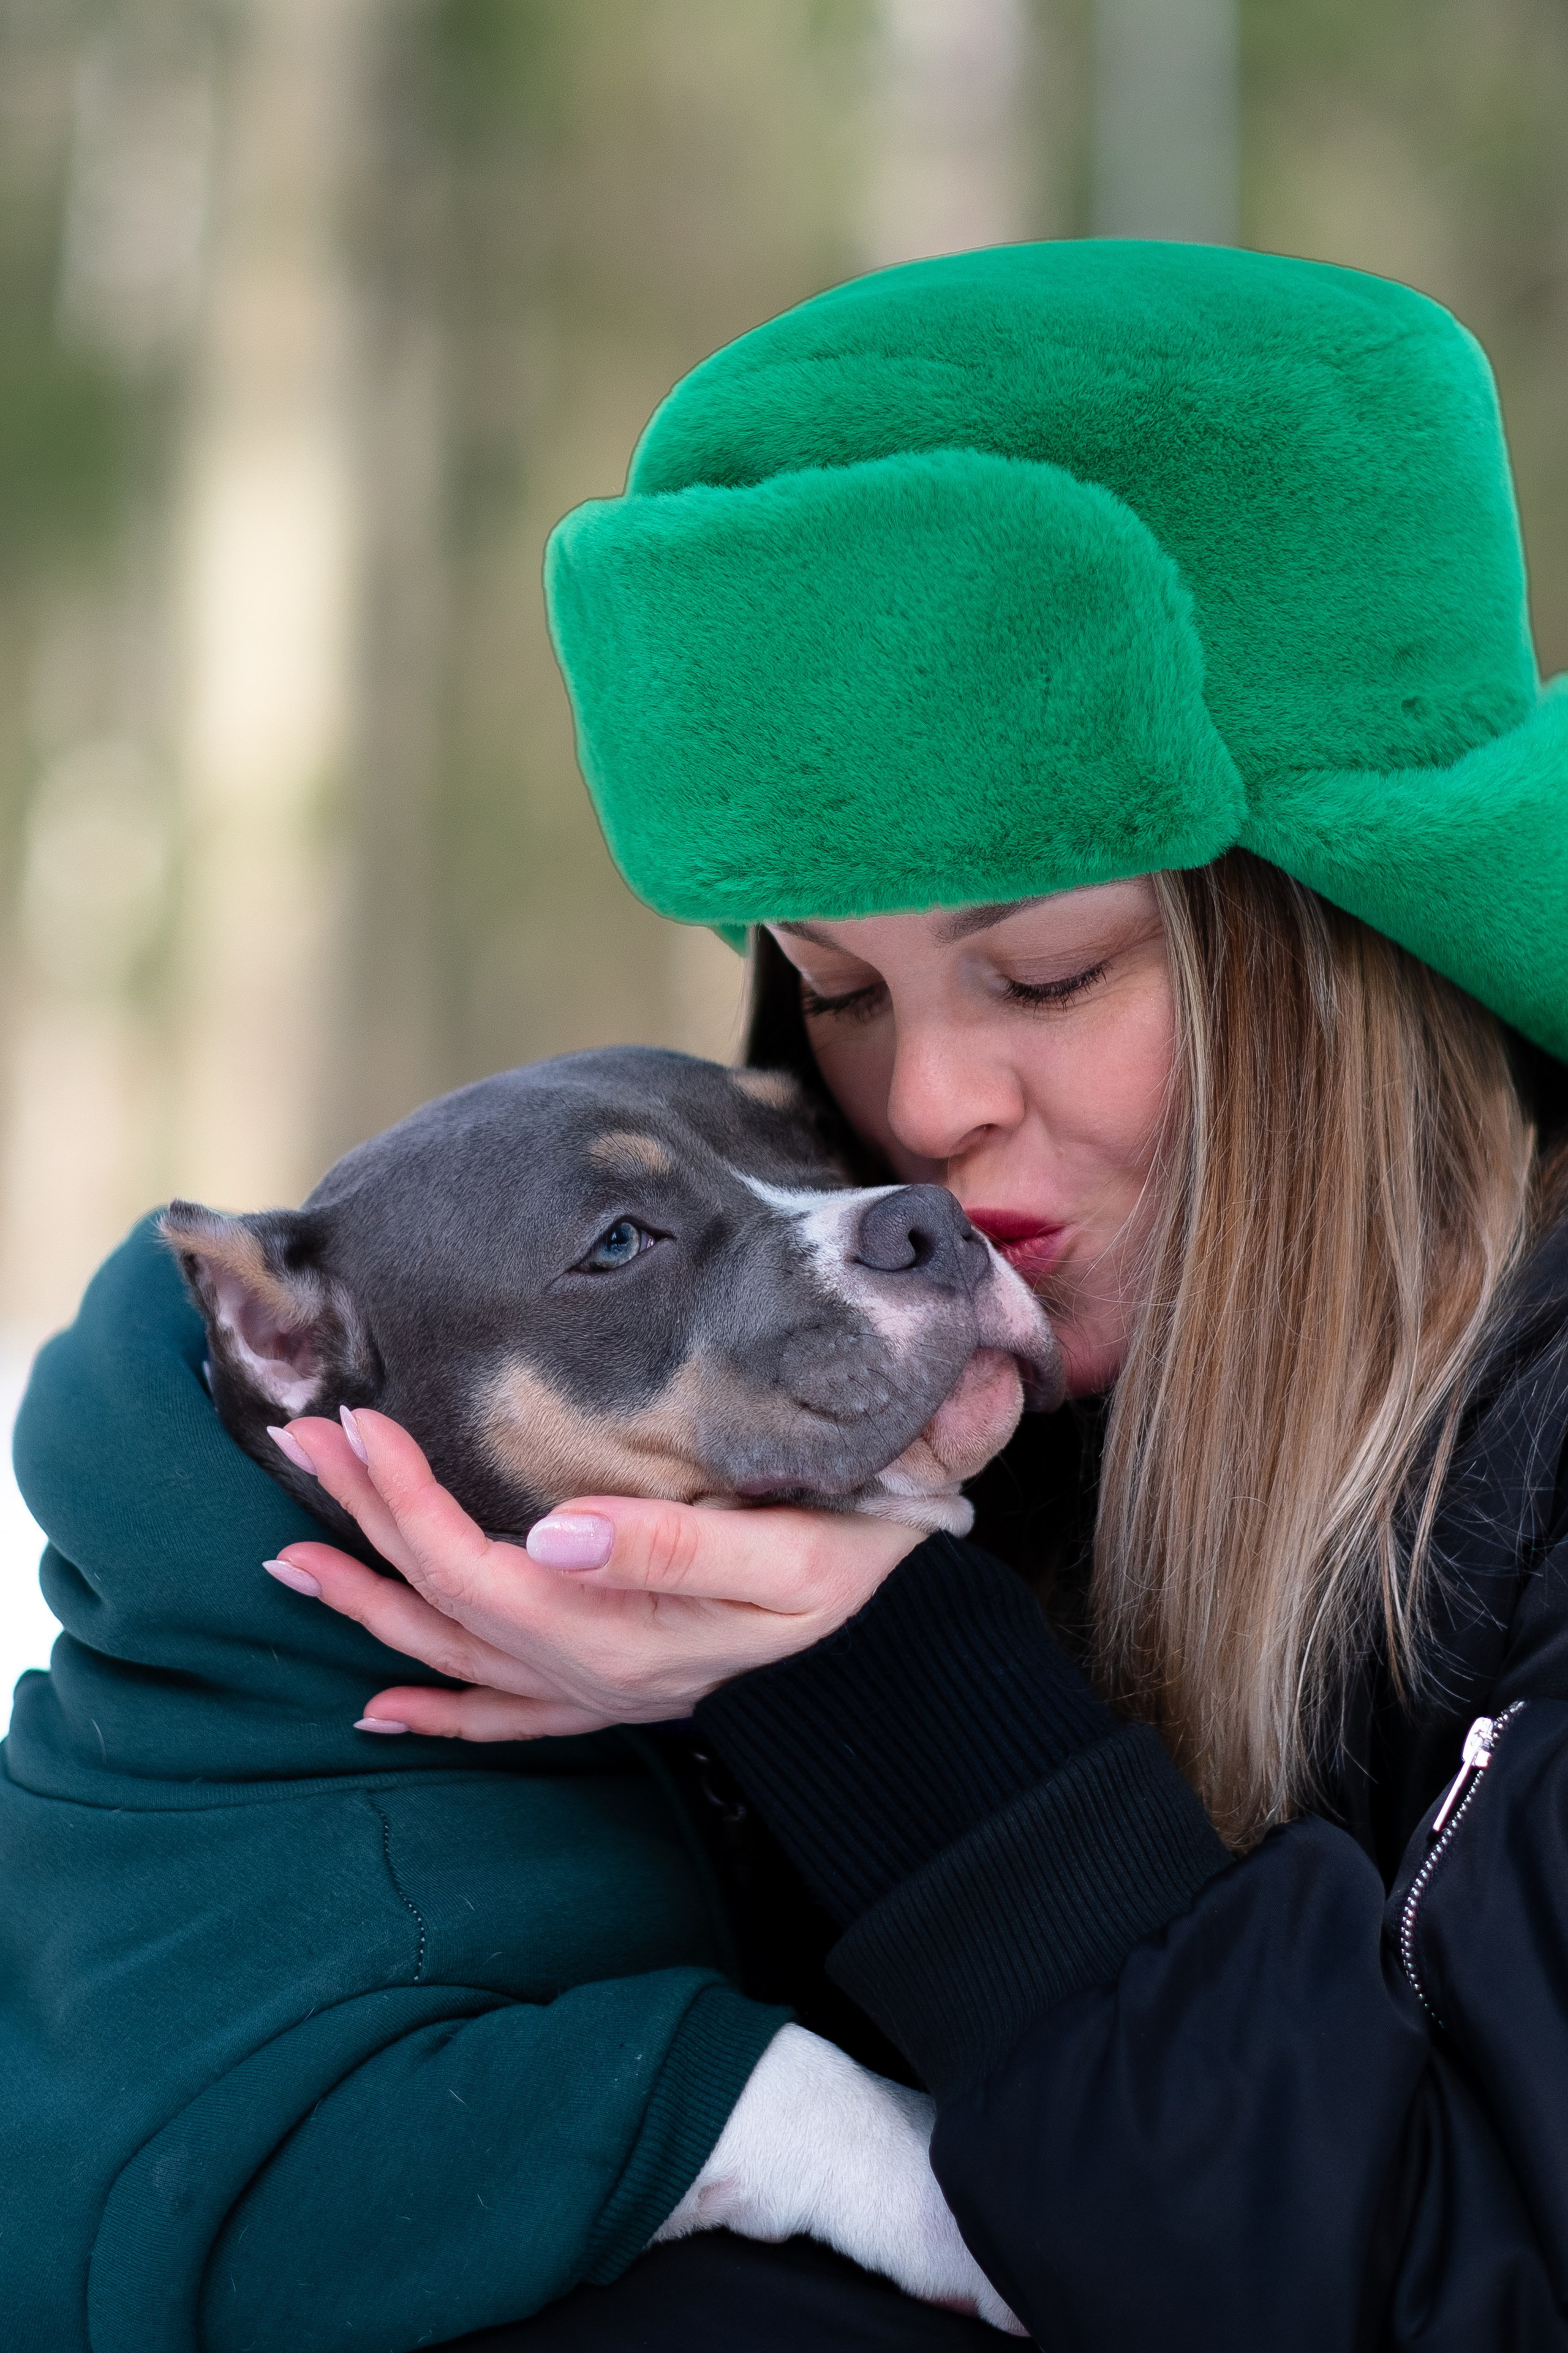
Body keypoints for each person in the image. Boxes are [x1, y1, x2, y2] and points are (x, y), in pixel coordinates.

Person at [273, 242, 1568, 2349]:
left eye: (1046, 970)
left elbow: (1457, 2281)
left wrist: (884, 1675)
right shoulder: (898, 1387)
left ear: (1346, 951)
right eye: (838, 985)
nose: (926, 1107)